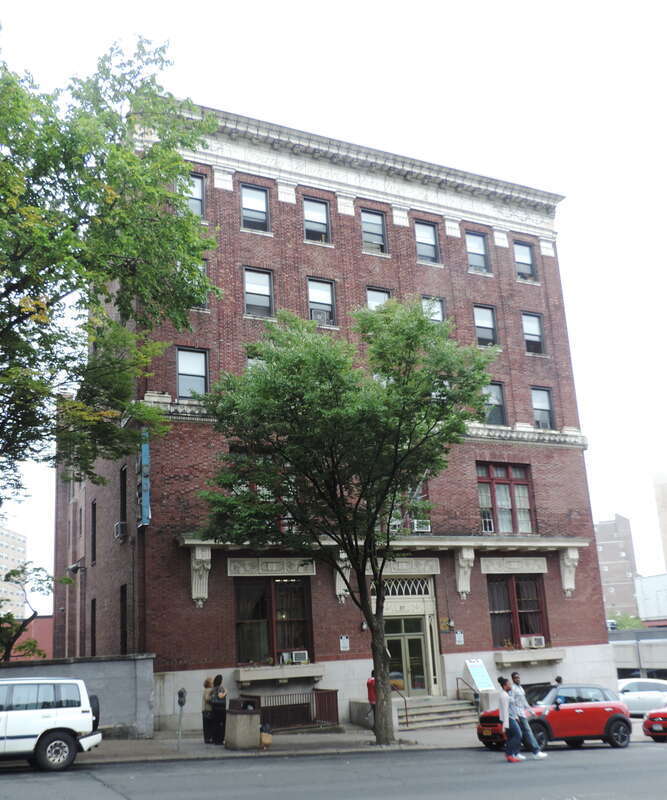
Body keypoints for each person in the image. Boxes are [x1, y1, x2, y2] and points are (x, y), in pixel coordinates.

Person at [510, 671, 547, 760]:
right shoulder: (513, 689)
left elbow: (524, 701)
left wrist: (531, 711)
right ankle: (536, 751)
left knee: (520, 734)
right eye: (515, 678)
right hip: (518, 714)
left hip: (522, 713)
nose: (517, 679)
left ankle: (516, 752)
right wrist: (515, 715)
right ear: (512, 679)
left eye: (518, 677)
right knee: (527, 732)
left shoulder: (520, 688)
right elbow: (511, 702)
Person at [498, 676, 523, 763]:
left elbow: (511, 708)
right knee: (518, 735)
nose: (511, 685)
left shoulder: (506, 694)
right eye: (509, 684)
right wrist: (504, 726)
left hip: (511, 718)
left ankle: (510, 754)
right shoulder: (504, 696)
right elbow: (505, 710)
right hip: (508, 719)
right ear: (505, 686)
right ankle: (510, 754)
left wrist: (516, 717)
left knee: (511, 737)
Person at [210, 674, 228, 745]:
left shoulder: (213, 689)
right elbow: (220, 696)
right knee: (221, 724)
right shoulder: (220, 688)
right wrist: (225, 692)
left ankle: (215, 739)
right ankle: (220, 740)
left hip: (214, 707)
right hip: (220, 707)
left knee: (215, 723)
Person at [201, 676, 215, 744]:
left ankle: (207, 739)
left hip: (205, 710)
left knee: (206, 726)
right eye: (212, 682)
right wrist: (213, 697)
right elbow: (207, 698)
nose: (213, 683)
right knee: (209, 725)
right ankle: (208, 739)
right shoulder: (209, 690)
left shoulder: (205, 690)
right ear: (209, 683)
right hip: (208, 710)